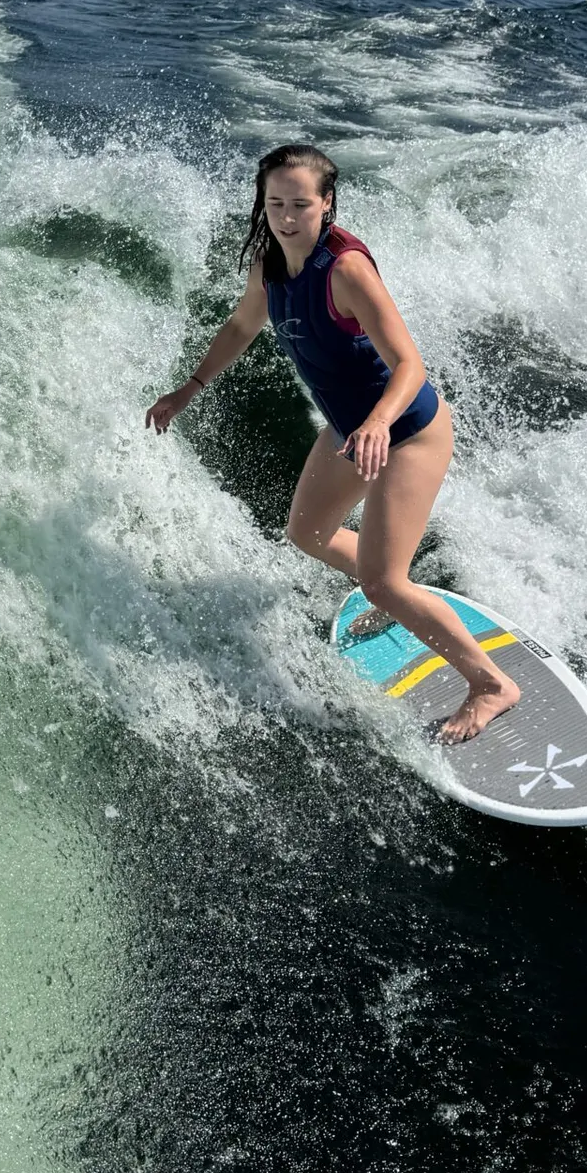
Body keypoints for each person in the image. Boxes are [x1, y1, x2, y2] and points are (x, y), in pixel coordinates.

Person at [144, 143, 521, 742]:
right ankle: (397, 586)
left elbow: (410, 366)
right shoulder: (268, 263)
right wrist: (187, 389)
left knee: (378, 581)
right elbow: (245, 324)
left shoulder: (345, 271)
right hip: (350, 430)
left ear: (326, 203)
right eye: (275, 204)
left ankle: (490, 684)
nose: (287, 216)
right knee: (308, 534)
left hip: (410, 434)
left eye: (300, 203)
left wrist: (376, 424)